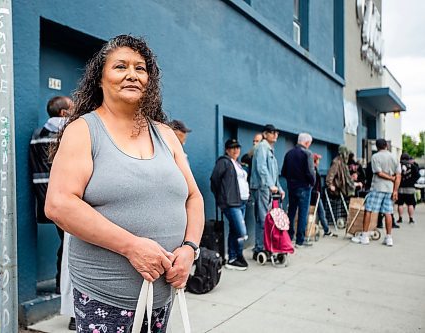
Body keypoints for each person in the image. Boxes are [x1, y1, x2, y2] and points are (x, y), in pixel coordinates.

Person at [45, 35, 204, 332]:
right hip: (105, 298)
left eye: (140, 68)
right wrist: (132, 247)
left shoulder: (165, 134)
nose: (132, 74)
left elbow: (194, 197)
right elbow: (59, 204)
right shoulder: (83, 131)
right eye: (120, 67)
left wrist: (190, 248)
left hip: (162, 295)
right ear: (100, 80)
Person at [29, 96, 76, 330]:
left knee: (67, 249)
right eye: (73, 106)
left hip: (48, 201)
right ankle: (74, 310)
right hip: (69, 203)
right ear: (64, 114)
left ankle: (61, 289)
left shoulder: (38, 134)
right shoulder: (69, 134)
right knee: (74, 253)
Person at [351, 139, 400, 246]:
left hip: (378, 187)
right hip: (389, 189)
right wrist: (395, 190)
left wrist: (391, 178)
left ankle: (364, 236)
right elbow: (399, 175)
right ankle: (389, 238)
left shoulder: (375, 157)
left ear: (377, 147)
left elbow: (378, 173)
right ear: (386, 145)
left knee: (369, 210)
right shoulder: (394, 157)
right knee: (388, 212)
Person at [210, 138, 250, 270]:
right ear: (227, 150)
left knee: (234, 230)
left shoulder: (237, 163)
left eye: (237, 147)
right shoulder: (224, 162)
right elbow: (214, 180)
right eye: (232, 148)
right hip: (231, 203)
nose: (236, 150)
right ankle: (238, 255)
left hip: (242, 201)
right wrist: (221, 198)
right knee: (241, 231)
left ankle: (232, 259)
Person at [250, 124, 284, 260]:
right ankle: (260, 248)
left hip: (268, 188)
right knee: (263, 219)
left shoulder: (269, 149)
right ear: (265, 134)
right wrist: (270, 185)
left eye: (276, 132)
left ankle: (265, 246)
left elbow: (274, 174)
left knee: (267, 219)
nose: (275, 135)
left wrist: (279, 188)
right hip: (262, 188)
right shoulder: (262, 147)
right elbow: (261, 168)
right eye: (271, 132)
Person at [281, 133, 315, 247]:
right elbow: (310, 172)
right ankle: (300, 240)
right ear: (306, 143)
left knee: (291, 211)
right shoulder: (307, 153)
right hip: (304, 186)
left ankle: (289, 236)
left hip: (291, 186)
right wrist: (312, 182)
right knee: (302, 213)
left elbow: (283, 172)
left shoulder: (288, 153)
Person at [312, 154, 337, 237]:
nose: (319, 161)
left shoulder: (314, 169)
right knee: (321, 213)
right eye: (318, 159)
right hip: (316, 195)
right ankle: (326, 230)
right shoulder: (313, 170)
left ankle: (324, 229)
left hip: (316, 194)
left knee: (320, 213)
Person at [396, 153, 420, 224]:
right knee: (410, 204)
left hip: (400, 188)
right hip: (410, 188)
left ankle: (400, 218)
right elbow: (418, 175)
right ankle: (411, 219)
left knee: (400, 204)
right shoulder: (412, 166)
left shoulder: (399, 166)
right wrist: (412, 181)